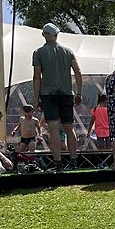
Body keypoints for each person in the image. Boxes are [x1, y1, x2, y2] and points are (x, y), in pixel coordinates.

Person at [32, 22, 83, 171]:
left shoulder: (38, 52)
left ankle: (58, 163)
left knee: (53, 130)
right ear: (57, 34)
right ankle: (73, 161)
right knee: (69, 128)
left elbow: (36, 77)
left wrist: (37, 98)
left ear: (44, 36)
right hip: (67, 94)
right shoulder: (68, 51)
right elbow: (78, 72)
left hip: (48, 95)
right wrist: (79, 92)